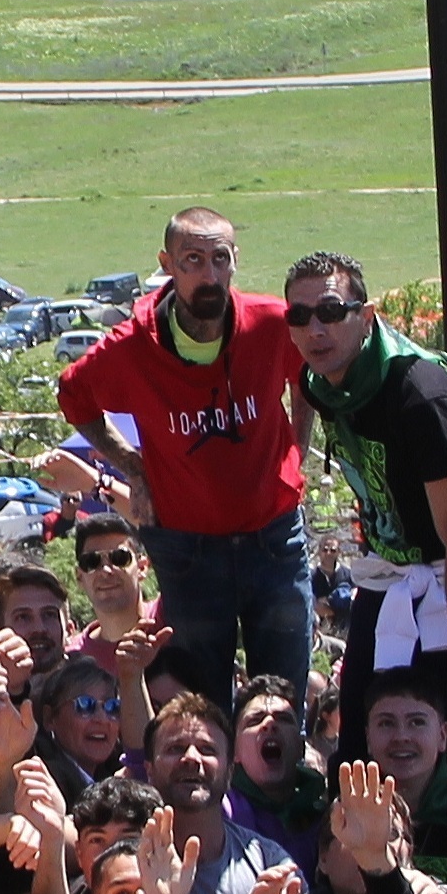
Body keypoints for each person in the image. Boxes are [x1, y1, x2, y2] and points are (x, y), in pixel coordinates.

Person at [289, 248, 447, 764]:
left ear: (367, 315)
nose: (316, 329)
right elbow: (302, 394)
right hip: (389, 575)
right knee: (360, 756)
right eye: (299, 316)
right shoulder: (323, 382)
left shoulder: (422, 402)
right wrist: (292, 462)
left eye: (332, 312)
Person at [58, 207, 310, 711]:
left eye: (220, 258)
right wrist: (131, 464)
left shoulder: (269, 324)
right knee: (200, 705)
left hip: (274, 538)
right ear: (167, 264)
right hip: (188, 548)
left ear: (236, 260)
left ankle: (284, 789)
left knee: (284, 702)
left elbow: (307, 371)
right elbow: (74, 395)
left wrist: (297, 449)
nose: (209, 275)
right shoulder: (135, 346)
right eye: (193, 260)